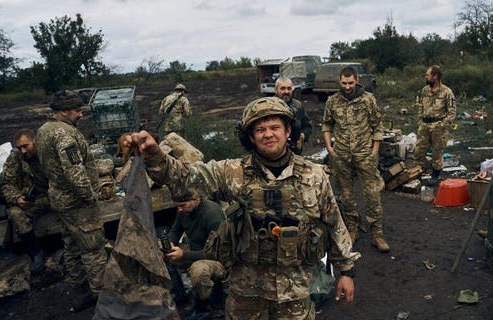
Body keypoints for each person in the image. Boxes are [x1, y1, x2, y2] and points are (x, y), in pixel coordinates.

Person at [126, 96, 359, 319]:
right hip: (246, 294)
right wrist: (156, 156)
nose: (268, 134)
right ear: (250, 137)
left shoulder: (314, 176)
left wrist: (346, 272)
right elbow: (188, 177)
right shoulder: (232, 172)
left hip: (295, 294)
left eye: (275, 127)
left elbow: (334, 224)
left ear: (288, 131)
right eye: (260, 130)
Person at [35, 90, 108, 312]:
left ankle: (80, 293)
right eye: (77, 111)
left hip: (59, 199)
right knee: (93, 248)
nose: (80, 115)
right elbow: (74, 171)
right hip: (77, 202)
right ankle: (105, 300)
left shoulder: (42, 130)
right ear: (64, 111)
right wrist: (89, 196)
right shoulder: (64, 135)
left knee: (72, 246)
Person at [322, 66, 390, 253]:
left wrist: (374, 151)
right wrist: (329, 147)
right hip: (341, 155)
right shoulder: (333, 101)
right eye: (344, 83)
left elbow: (377, 126)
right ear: (339, 81)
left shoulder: (368, 99)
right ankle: (353, 228)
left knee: (372, 193)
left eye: (350, 82)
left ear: (357, 80)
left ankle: (377, 234)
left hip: (365, 154)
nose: (347, 86)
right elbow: (327, 124)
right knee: (346, 195)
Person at [163, 185, 226, 313]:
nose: (179, 209)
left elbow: (217, 253)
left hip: (219, 259)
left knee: (199, 271)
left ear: (196, 200)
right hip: (196, 252)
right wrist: (169, 244)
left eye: (183, 205)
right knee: (164, 255)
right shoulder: (183, 211)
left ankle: (210, 305)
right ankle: (182, 300)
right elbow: (175, 231)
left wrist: (184, 255)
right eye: (177, 206)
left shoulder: (212, 214)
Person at [2, 128, 49, 274]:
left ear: (35, 141)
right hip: (34, 201)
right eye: (19, 147)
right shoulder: (15, 159)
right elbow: (7, 184)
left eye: (25, 146)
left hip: (54, 196)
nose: (22, 150)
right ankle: (36, 254)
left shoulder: (48, 154)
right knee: (15, 213)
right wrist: (17, 198)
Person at [413, 65, 456, 185]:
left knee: (437, 152)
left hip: (438, 126)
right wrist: (420, 121)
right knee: (419, 151)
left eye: (427, 75)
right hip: (424, 125)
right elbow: (420, 106)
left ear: (435, 76)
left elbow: (452, 112)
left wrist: (442, 125)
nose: (425, 77)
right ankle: (418, 174)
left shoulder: (446, 92)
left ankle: (435, 176)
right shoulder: (425, 90)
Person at [274, 77, 312, 154]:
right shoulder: (269, 106)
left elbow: (307, 126)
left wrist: (302, 136)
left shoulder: (298, 106)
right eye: (282, 88)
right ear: (276, 90)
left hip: (294, 152)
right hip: (275, 152)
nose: (286, 91)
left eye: (289, 88)